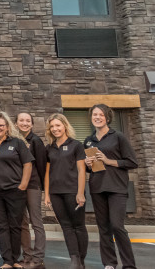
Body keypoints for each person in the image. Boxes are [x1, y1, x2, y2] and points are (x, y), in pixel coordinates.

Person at [83, 104, 138, 269]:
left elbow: (132, 162)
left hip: (117, 187)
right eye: (94, 115)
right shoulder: (88, 140)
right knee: (103, 228)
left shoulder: (118, 137)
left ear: (107, 117)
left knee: (117, 226)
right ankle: (109, 263)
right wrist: (87, 164)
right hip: (97, 187)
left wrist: (108, 161)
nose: (97, 117)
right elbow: (88, 168)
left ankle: (128, 265)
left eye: (101, 115)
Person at [0, 111, 32, 269]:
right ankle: (7, 260)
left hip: (15, 191)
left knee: (15, 226)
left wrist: (23, 185)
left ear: (7, 127)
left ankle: (15, 259)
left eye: (1, 125)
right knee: (1, 226)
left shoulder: (17, 143)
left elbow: (28, 164)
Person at [43, 113, 87, 269]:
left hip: (73, 191)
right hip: (56, 193)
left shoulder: (76, 145)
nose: (55, 129)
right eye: (52, 126)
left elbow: (82, 170)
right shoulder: (49, 148)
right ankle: (74, 260)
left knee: (78, 226)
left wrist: (80, 193)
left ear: (65, 126)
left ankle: (81, 259)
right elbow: (47, 173)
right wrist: (47, 194)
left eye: (58, 125)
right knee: (66, 227)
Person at [15, 112, 47, 269]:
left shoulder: (35, 141)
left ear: (32, 124)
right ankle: (26, 256)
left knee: (36, 222)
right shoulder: (14, 141)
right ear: (16, 123)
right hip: (17, 186)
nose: (25, 123)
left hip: (33, 186)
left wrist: (42, 187)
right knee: (22, 223)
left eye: (28, 121)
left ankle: (38, 257)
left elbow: (41, 165)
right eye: (21, 120)